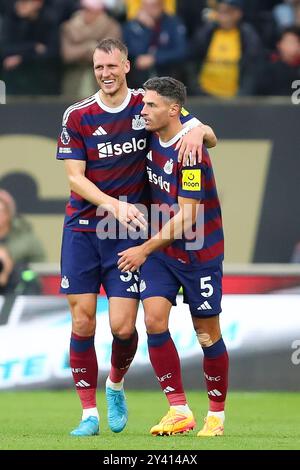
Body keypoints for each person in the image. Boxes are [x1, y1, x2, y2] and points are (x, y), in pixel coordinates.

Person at [56, 37, 217, 437]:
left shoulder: (146, 106)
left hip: (126, 233)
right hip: (83, 228)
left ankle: (115, 385)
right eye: (98, 68)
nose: (106, 74)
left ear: (127, 66)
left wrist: (202, 132)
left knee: (125, 328)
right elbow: (75, 177)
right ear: (93, 71)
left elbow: (197, 128)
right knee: (82, 320)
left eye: (112, 66)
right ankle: (88, 414)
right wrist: (111, 203)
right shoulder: (77, 115)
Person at [118, 76, 228, 437]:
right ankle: (179, 409)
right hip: (163, 253)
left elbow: (188, 217)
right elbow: (202, 128)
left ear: (173, 109)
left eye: (150, 105)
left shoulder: (190, 151)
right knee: (153, 321)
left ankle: (216, 414)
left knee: (206, 334)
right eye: (144, 103)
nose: (143, 110)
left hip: (199, 251)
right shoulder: (152, 135)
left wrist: (143, 249)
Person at [0, 189, 45, 295]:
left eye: (1, 211)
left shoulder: (24, 235)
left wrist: (9, 260)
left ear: (8, 214)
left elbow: (40, 263)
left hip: (18, 289)